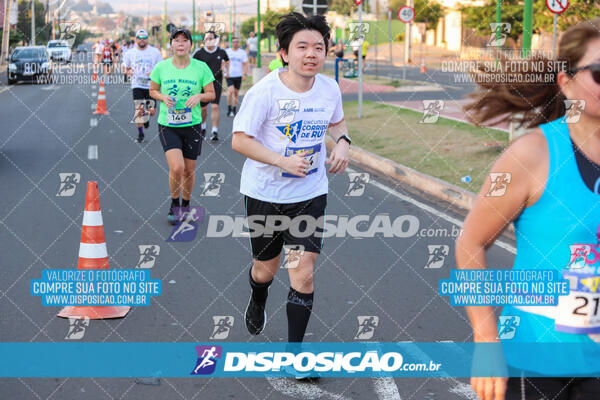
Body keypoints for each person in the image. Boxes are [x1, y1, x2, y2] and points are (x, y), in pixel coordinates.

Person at [457, 17, 600, 400]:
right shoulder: (531, 154)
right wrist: (486, 343)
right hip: (538, 358)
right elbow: (470, 243)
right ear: (566, 81)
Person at [231, 12, 350, 378]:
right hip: (264, 193)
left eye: (318, 47)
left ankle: (294, 357)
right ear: (284, 53)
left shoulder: (329, 88)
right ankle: (258, 295)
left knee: (302, 273)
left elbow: (337, 123)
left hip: (310, 192)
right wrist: (281, 159)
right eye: (302, 47)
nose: (311, 54)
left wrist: (343, 143)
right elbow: (239, 140)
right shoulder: (265, 92)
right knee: (266, 270)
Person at [149, 28, 216, 224]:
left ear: (190, 45)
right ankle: (174, 204)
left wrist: (199, 96)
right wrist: (162, 97)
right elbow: (153, 90)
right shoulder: (161, 67)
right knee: (177, 167)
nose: (180, 44)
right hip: (168, 124)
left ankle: (186, 204)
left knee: (188, 170)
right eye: (176, 40)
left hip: (193, 124)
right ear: (171, 44)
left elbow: (211, 94)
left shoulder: (201, 67)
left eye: (184, 40)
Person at [122, 29, 163, 143]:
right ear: (136, 39)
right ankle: (140, 134)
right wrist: (127, 72)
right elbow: (124, 67)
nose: (141, 40)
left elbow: (161, 68)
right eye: (139, 38)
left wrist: (154, 73)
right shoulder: (130, 53)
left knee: (152, 111)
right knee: (139, 109)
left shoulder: (155, 52)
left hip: (151, 85)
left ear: (147, 39)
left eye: (144, 38)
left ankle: (146, 116)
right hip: (137, 85)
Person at [192, 30, 229, 142]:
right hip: (202, 83)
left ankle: (214, 131)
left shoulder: (221, 52)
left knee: (215, 106)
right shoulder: (199, 53)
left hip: (216, 82)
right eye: (207, 38)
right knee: (203, 109)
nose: (209, 40)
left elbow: (227, 61)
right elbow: (192, 66)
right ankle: (203, 128)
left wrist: (227, 71)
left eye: (211, 38)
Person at [225, 37, 248, 117]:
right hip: (229, 75)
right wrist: (225, 72)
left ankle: (234, 109)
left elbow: (245, 64)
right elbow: (223, 63)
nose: (235, 43)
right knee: (230, 91)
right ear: (231, 43)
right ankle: (229, 108)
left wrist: (244, 74)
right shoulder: (227, 52)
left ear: (238, 43)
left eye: (237, 42)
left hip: (238, 75)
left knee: (236, 93)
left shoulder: (242, 52)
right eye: (234, 42)